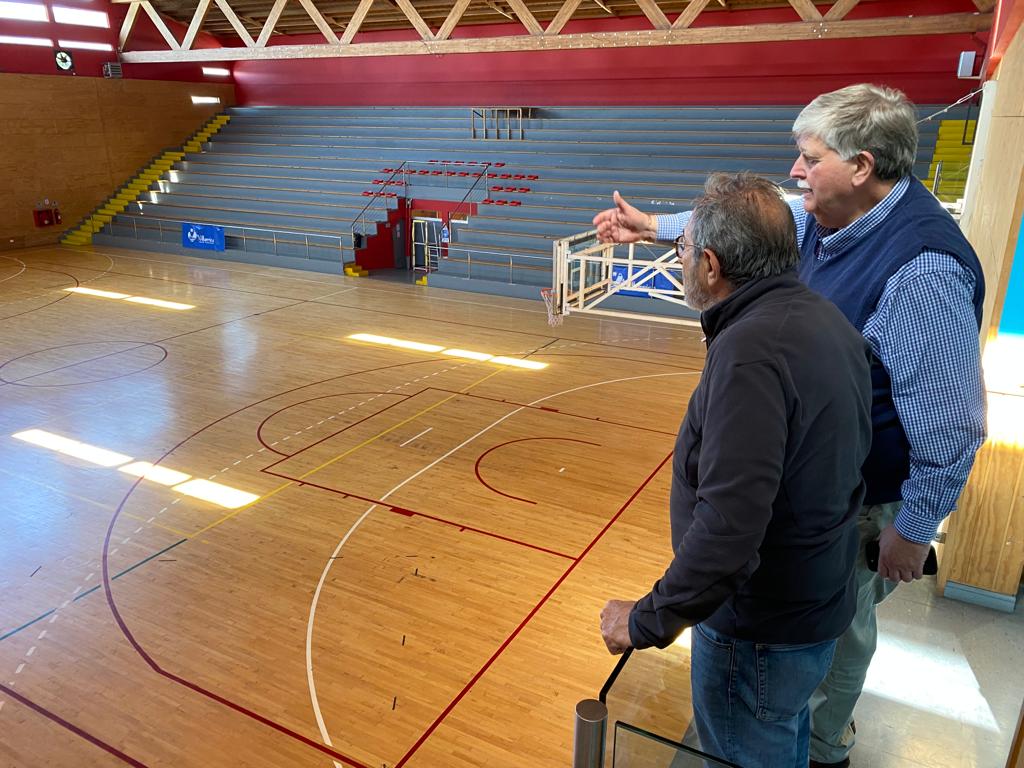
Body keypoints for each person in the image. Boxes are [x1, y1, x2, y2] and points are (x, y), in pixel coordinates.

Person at [594, 84, 987, 768]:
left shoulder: (921, 272)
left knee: (836, 638)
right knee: (818, 640)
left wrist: (914, 527)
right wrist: (655, 225)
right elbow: (753, 222)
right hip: (823, 487)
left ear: (861, 166)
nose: (796, 171)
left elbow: (951, 425)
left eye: (810, 157)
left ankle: (825, 744)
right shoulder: (826, 221)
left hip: (859, 506)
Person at [599, 172, 874, 768]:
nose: (680, 258)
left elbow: (729, 530)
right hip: (815, 601)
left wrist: (646, 620)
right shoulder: (823, 319)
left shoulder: (751, 353)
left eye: (683, 249)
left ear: (711, 266)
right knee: (784, 739)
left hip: (760, 633)